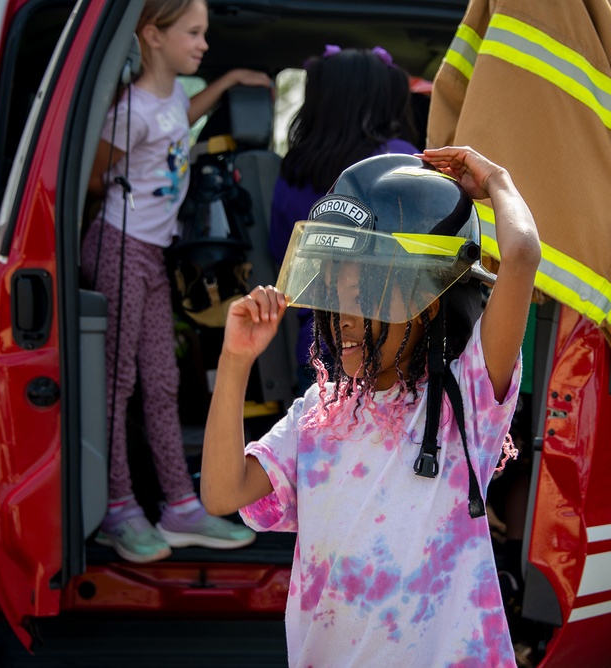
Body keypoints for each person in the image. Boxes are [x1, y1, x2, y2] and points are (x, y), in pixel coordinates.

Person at [201, 147, 540, 666]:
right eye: (338, 298)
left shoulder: (462, 407)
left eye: (372, 299)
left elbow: (521, 255)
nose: (348, 321)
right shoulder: (318, 413)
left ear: (431, 305)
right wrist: (234, 361)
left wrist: (496, 178)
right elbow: (223, 492)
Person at [80, 0, 272, 563]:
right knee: (118, 385)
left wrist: (231, 80)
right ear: (152, 36)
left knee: (162, 383)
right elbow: (93, 175)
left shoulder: (170, 100)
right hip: (120, 247)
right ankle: (118, 506)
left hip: (154, 254)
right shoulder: (133, 109)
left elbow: (184, 113)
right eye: (193, 32)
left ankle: (181, 506)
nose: (204, 43)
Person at [268, 45, 420, 393]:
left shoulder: (292, 171)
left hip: (316, 347)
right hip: (388, 351)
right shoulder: (402, 161)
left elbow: (283, 256)